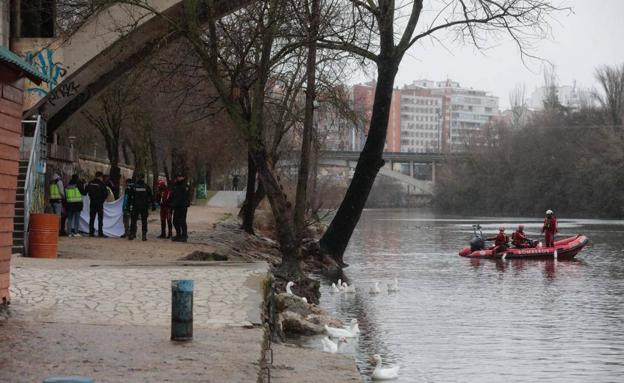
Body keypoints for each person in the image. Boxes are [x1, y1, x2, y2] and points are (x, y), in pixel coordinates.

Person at [127, 173, 153, 241]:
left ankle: (132, 234)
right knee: (144, 221)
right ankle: (144, 235)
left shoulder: (134, 187)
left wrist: (128, 206)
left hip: (135, 206)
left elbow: (129, 197)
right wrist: (151, 205)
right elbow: (151, 196)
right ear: (143, 178)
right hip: (144, 206)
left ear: (137, 178)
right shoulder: (146, 186)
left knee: (133, 221)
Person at [86, 171, 108, 237]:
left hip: (92, 202)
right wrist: (102, 200)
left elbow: (85, 192)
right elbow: (106, 193)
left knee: (92, 218)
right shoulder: (102, 183)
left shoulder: (90, 183)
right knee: (100, 218)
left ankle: (91, 232)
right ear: (100, 177)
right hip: (99, 203)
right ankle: (100, 233)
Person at [171, 173, 190, 242]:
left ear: (183, 177)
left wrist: (186, 204)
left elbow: (185, 196)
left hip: (183, 206)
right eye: (178, 177)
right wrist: (172, 204)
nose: (179, 178)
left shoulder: (185, 186)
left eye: (180, 177)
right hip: (176, 206)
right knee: (175, 221)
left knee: (182, 221)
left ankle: (184, 236)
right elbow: (173, 196)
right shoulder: (175, 185)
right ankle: (178, 234)